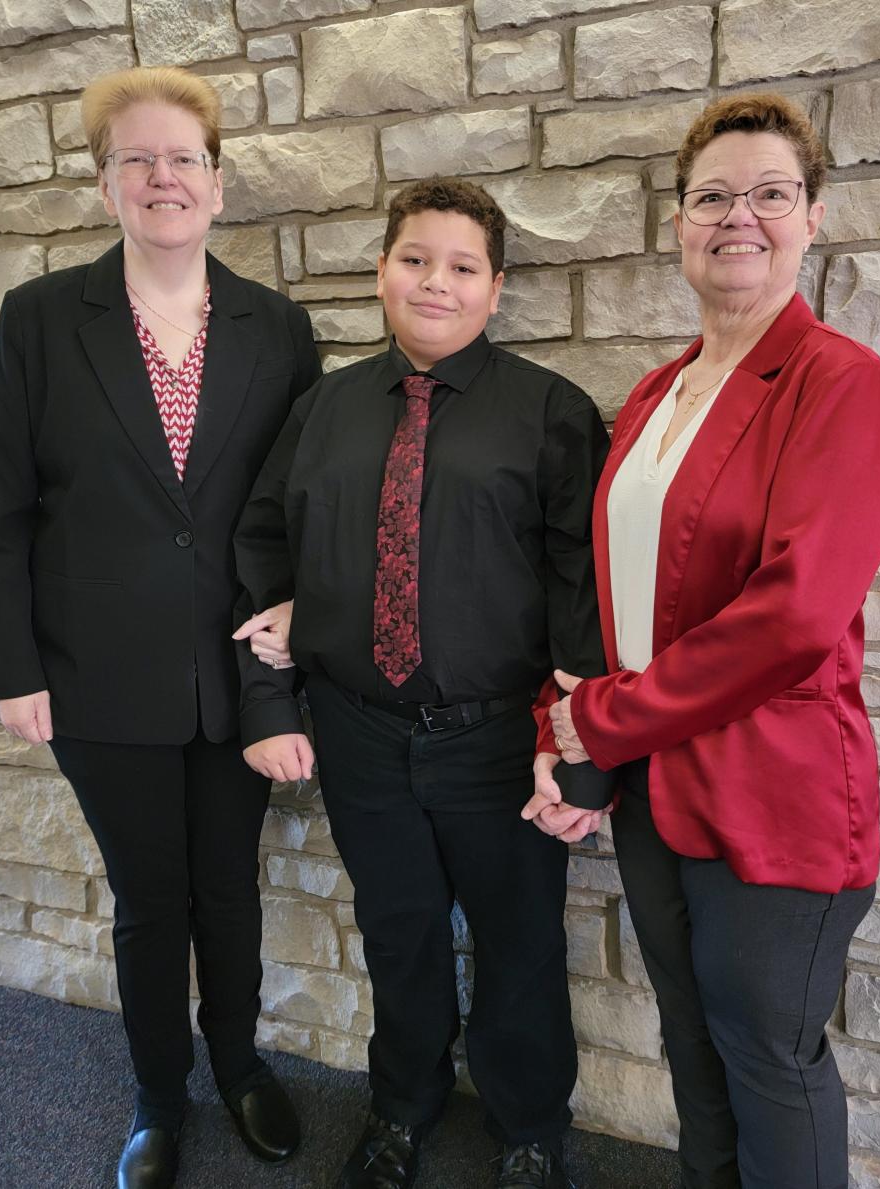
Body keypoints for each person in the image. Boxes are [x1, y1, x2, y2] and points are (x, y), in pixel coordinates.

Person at [523, 93, 880, 1189]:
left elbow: (791, 619)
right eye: (711, 196)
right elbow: (627, 601)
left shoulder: (842, 384)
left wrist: (598, 718)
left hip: (772, 795)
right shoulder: (656, 391)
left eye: (770, 193)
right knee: (691, 1050)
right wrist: (586, 755)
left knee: (768, 1059)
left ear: (813, 217)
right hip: (657, 788)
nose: (739, 216)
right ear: (680, 222)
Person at [0, 66, 320, 1189]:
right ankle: (158, 1095)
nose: (163, 178)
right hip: (94, 681)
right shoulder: (37, 320)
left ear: (218, 183)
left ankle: (240, 1065)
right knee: (149, 899)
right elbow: (0, 515)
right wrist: (9, 669)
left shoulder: (279, 325)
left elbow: (301, 504)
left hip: (238, 680)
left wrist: (303, 631)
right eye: (139, 159)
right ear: (107, 181)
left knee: (230, 888)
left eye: (184, 159)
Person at [232, 177, 614, 1189]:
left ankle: (531, 1127)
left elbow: (586, 597)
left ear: (496, 287)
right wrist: (272, 703)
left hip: (500, 740)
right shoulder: (321, 411)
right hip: (360, 731)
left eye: (461, 267)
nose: (434, 282)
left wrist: (582, 757)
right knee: (396, 931)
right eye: (414, 259)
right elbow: (265, 557)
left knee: (519, 942)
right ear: (380, 272)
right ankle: (402, 1106)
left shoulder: (553, 414)